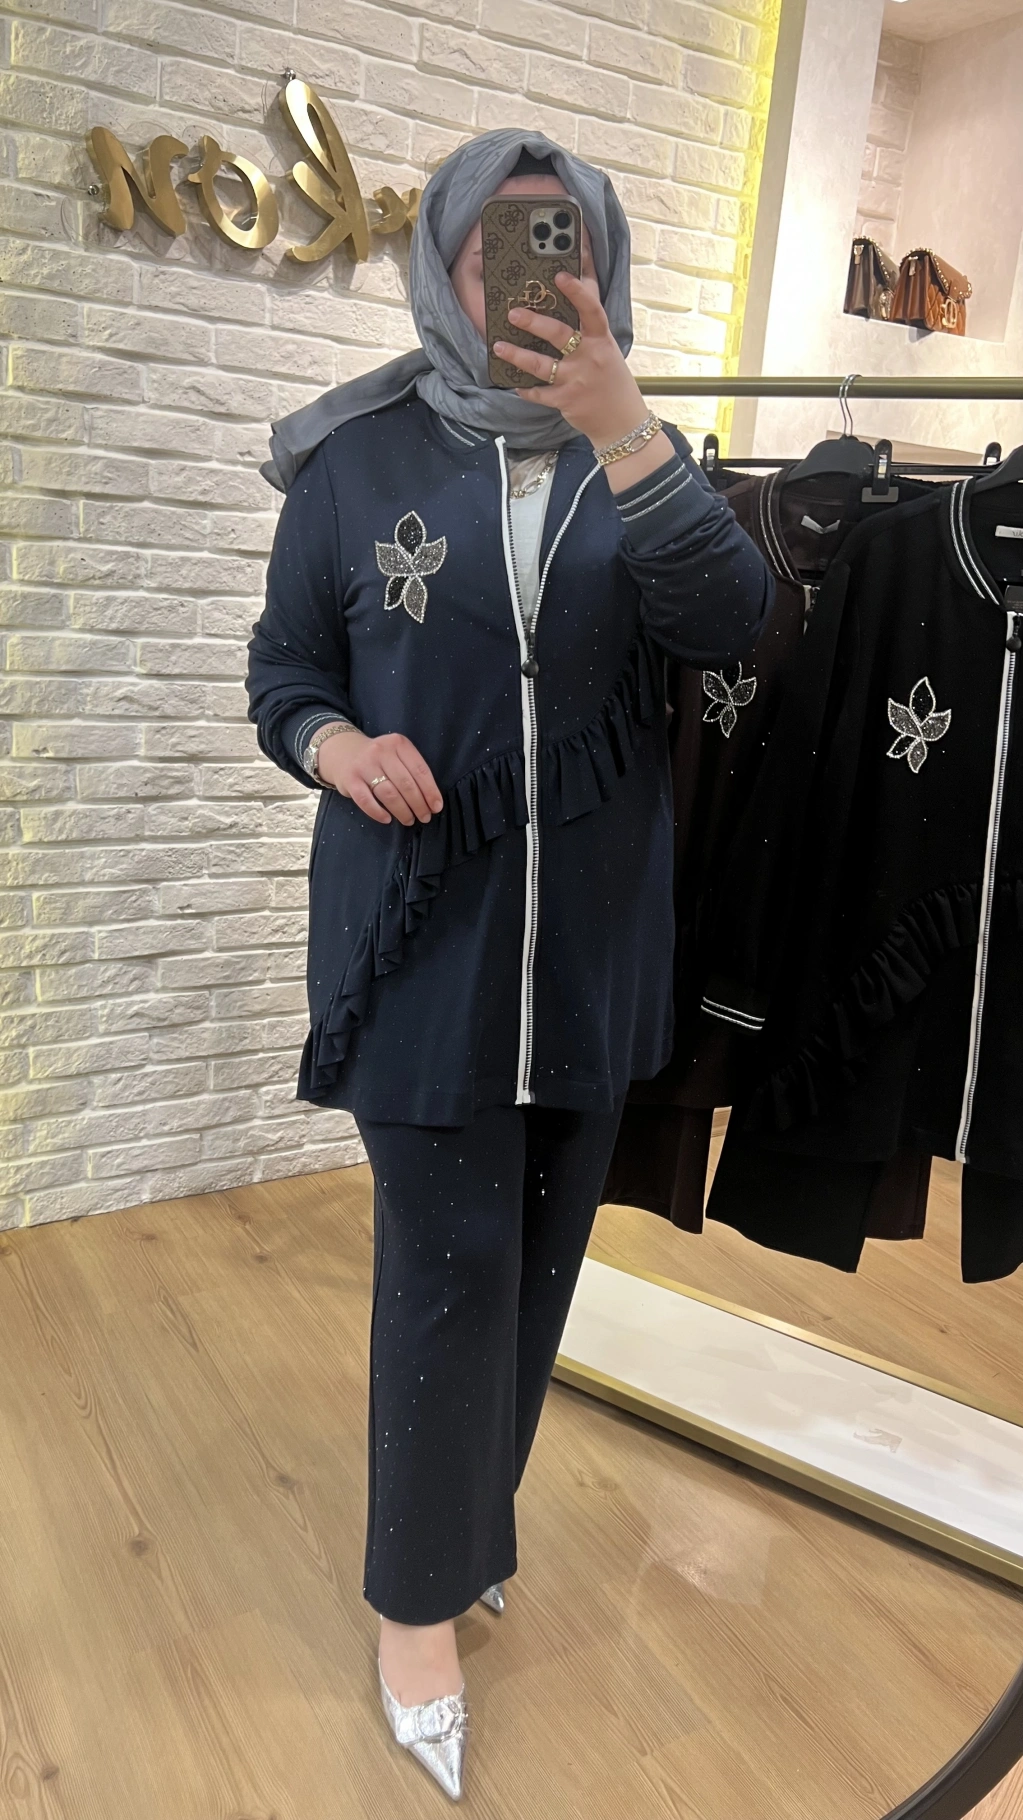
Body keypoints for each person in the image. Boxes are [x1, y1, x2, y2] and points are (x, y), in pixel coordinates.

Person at [246, 129, 773, 1801]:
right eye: (498, 249)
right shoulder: (353, 461)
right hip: (419, 942)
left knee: (542, 1266)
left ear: (600, 264)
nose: (531, 281)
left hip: (592, 955)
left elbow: (737, 624)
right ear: (446, 264)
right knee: (449, 1266)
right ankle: (416, 1607)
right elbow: (283, 671)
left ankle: (474, 1530)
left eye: (565, 247)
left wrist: (625, 424)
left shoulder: (646, 459)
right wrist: (336, 747)